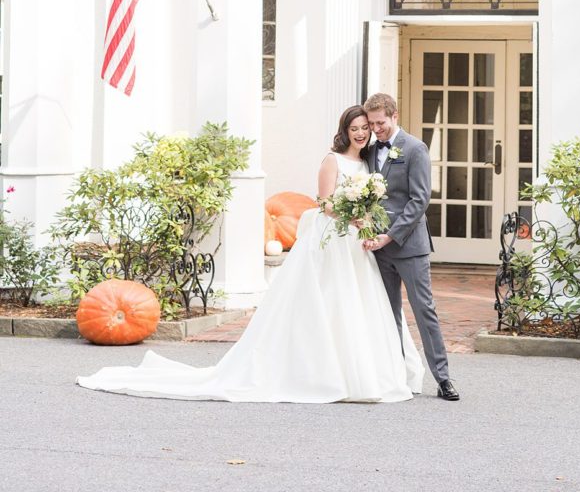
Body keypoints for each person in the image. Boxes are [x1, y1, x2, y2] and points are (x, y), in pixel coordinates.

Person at [76, 105, 424, 403]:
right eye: (355, 128)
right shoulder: (331, 161)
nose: (362, 133)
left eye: (366, 128)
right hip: (331, 239)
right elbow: (324, 203)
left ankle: (361, 371)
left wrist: (363, 216)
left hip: (353, 243)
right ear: (344, 131)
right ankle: (325, 373)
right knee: (326, 302)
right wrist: (350, 213)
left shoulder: (369, 162)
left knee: (356, 304)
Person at [362, 92, 460, 402]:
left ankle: (443, 379)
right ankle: (395, 377)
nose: (376, 129)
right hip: (376, 248)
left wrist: (390, 235)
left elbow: (420, 200)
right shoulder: (368, 151)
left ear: (394, 117)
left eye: (380, 123)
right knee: (387, 314)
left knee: (424, 311)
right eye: (372, 123)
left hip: (409, 245)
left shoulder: (416, 149)